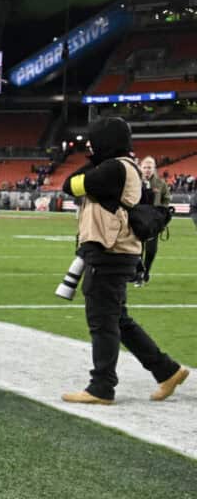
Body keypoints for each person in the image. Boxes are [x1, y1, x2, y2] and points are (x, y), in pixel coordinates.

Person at [60, 117, 188, 405]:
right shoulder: (123, 166)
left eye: (94, 141)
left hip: (109, 250)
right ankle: (166, 370)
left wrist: (94, 160)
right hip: (118, 250)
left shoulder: (114, 168)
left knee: (102, 321)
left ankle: (101, 386)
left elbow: (70, 185)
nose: (90, 146)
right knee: (118, 318)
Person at [131, 156, 170, 287]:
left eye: (150, 167)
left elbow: (166, 198)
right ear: (140, 168)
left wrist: (162, 214)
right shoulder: (134, 181)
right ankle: (138, 274)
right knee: (137, 249)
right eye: (145, 167)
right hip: (138, 220)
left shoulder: (160, 183)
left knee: (152, 250)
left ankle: (146, 271)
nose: (147, 170)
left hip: (153, 221)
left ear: (154, 169)